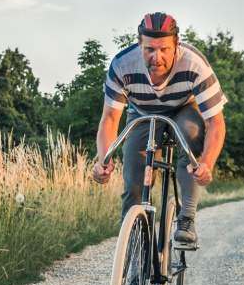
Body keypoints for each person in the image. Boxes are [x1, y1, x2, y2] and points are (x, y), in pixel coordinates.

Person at [91, 12, 226, 245]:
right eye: (149, 49)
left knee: (191, 131)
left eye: (164, 49)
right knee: (133, 180)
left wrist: (207, 164)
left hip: (183, 107)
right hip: (142, 113)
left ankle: (186, 218)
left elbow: (216, 122)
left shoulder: (195, 64)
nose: (157, 57)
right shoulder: (122, 65)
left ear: (176, 44)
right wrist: (104, 160)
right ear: (138, 43)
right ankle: (134, 250)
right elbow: (110, 120)